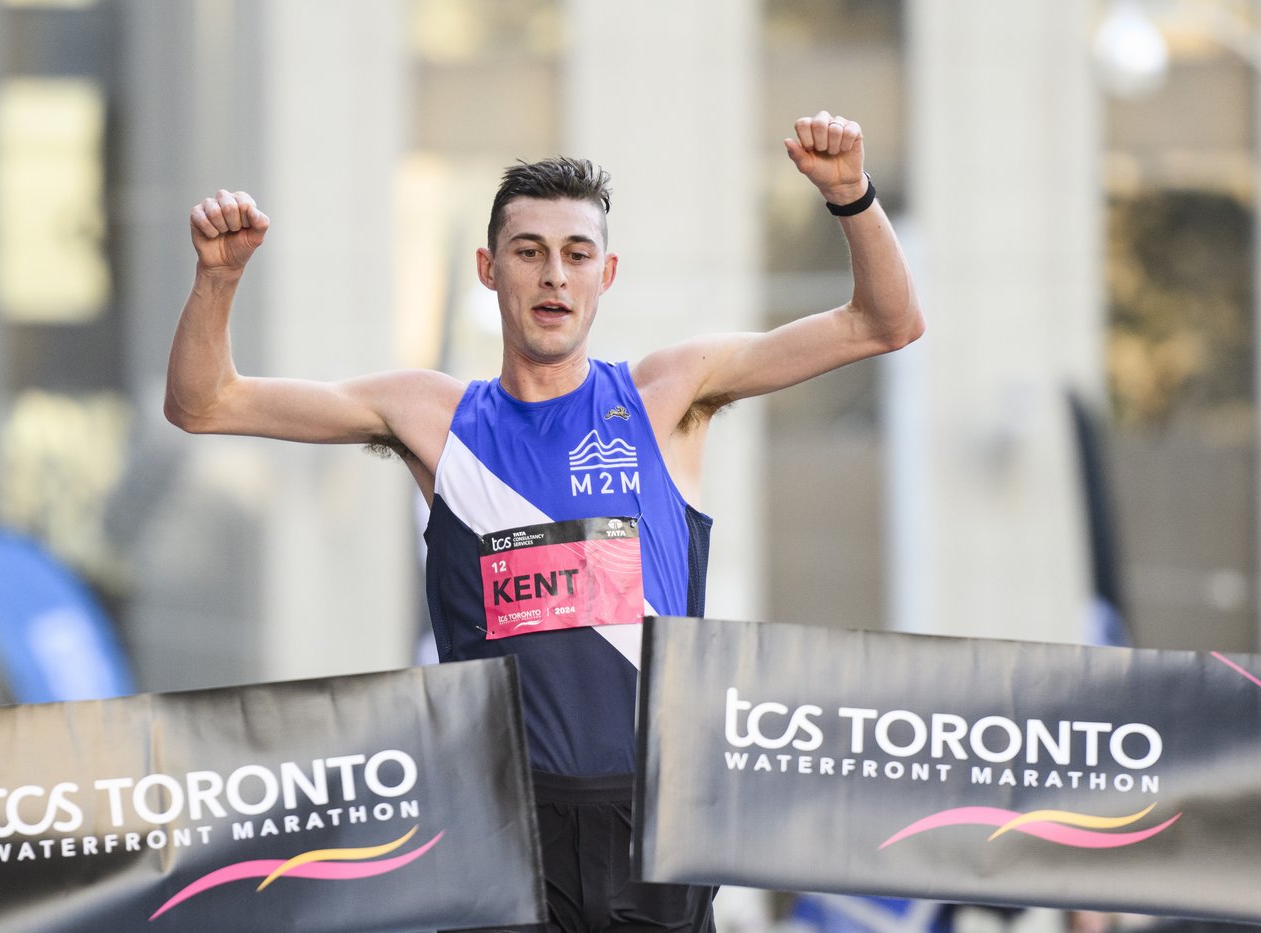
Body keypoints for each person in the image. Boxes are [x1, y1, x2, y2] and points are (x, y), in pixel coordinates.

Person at [166, 111, 923, 933]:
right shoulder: (430, 415)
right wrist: (218, 278)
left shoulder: (667, 393)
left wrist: (851, 196)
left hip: (659, 819)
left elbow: (885, 322)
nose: (554, 275)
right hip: (501, 823)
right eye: (529, 252)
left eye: (577, 254)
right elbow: (204, 403)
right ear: (490, 270)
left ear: (608, 273)